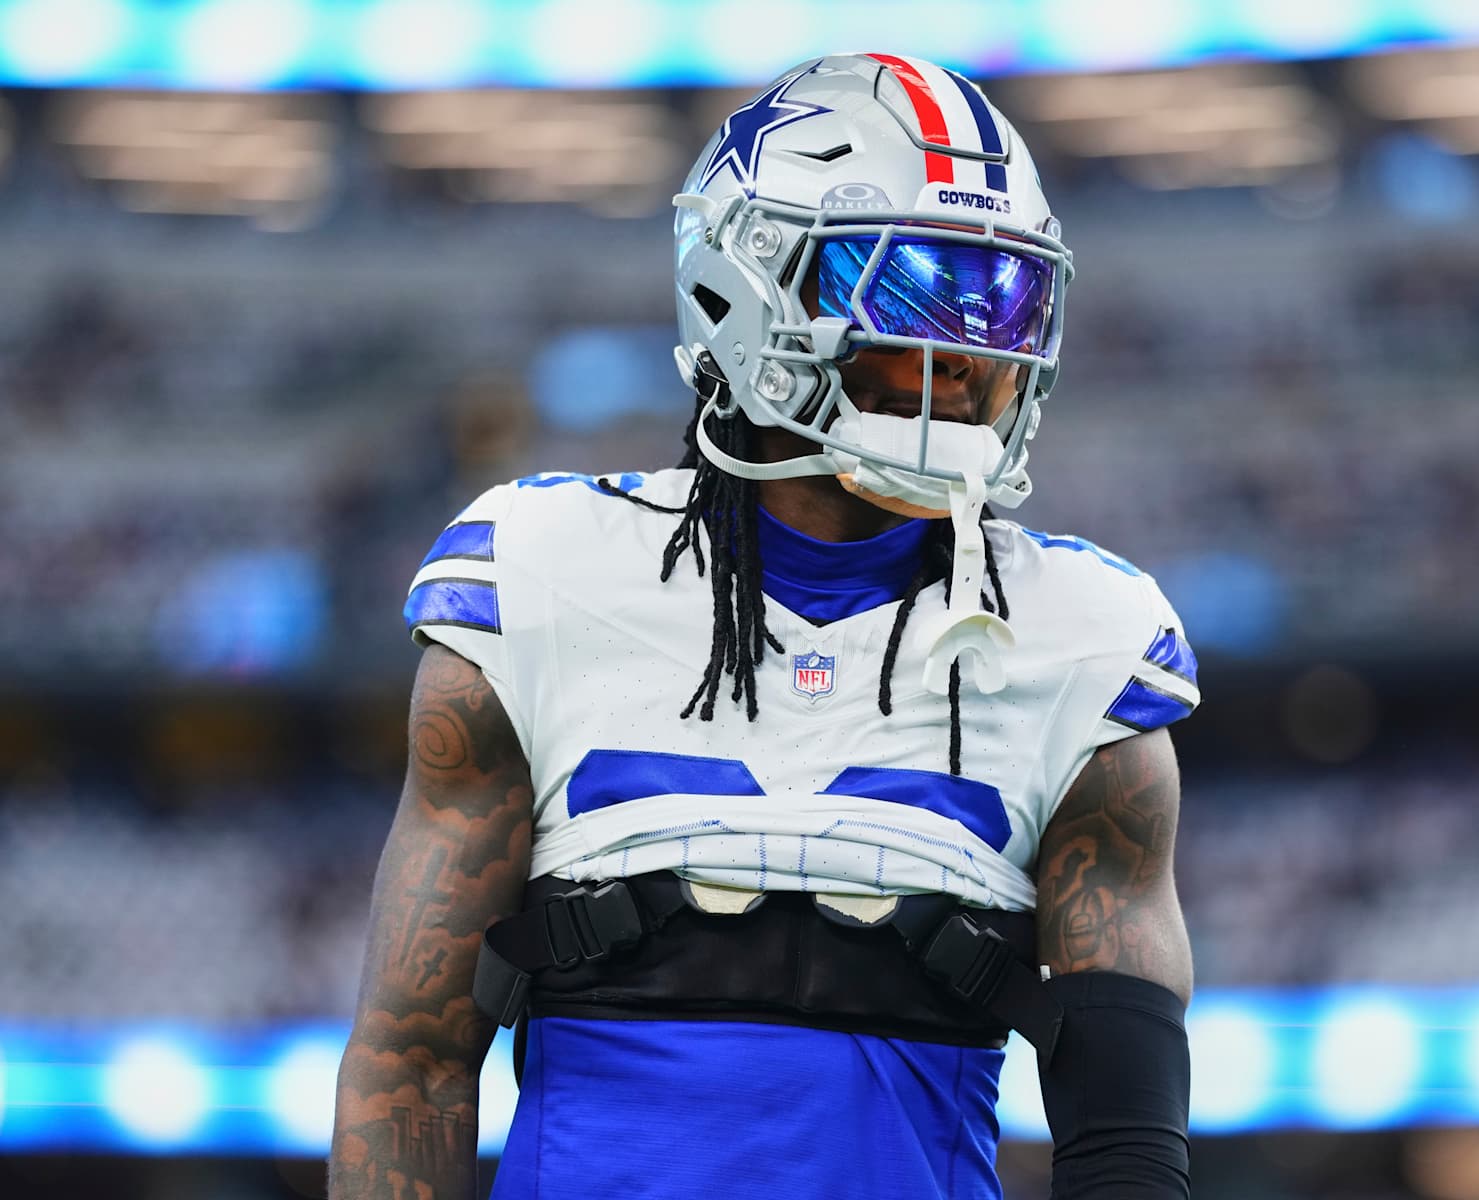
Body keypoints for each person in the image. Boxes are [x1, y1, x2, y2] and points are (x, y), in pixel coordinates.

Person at [331, 52, 1198, 1200]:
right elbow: (415, 1064)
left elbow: (1126, 1142)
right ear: (743, 289)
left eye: (1000, 301)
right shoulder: (544, 577)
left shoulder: (1078, 639)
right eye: (910, 299)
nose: (968, 354)